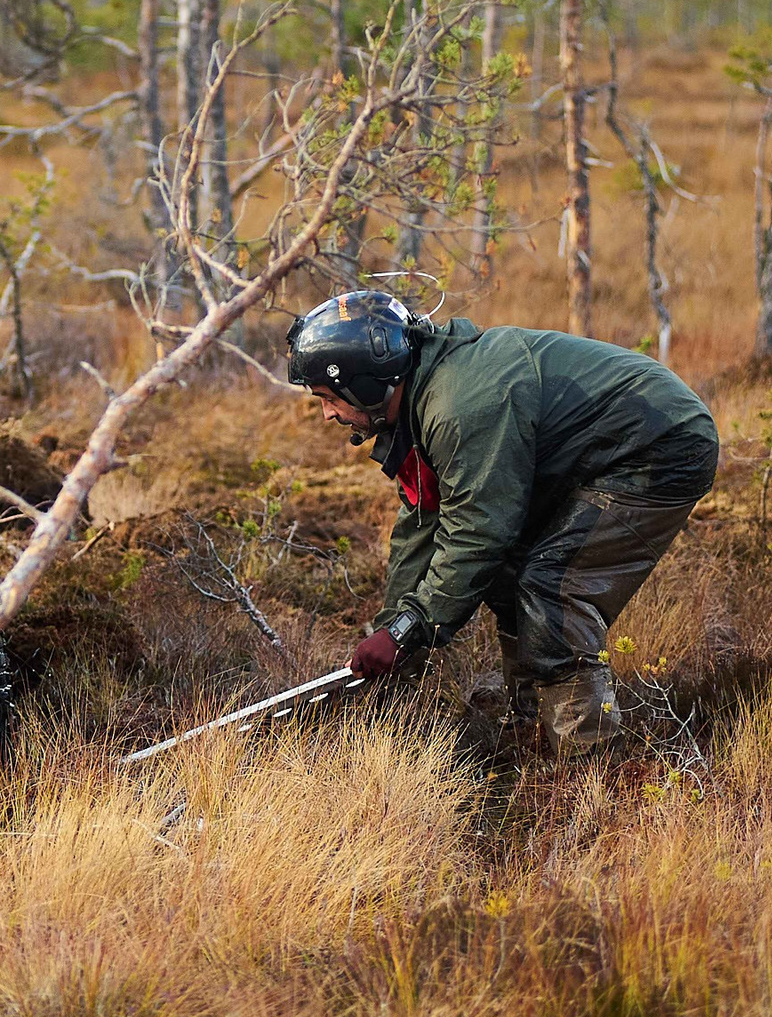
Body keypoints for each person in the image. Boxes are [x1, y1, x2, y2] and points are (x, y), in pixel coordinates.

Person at [285, 290, 721, 760]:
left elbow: (477, 533)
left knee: (553, 588)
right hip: (599, 452)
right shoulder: (419, 402)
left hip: (662, 444)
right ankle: (531, 727)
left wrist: (409, 629)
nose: (327, 413)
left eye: (328, 397)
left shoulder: (458, 406)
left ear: (366, 386)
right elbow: (423, 526)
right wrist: (394, 632)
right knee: (507, 574)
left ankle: (588, 764)